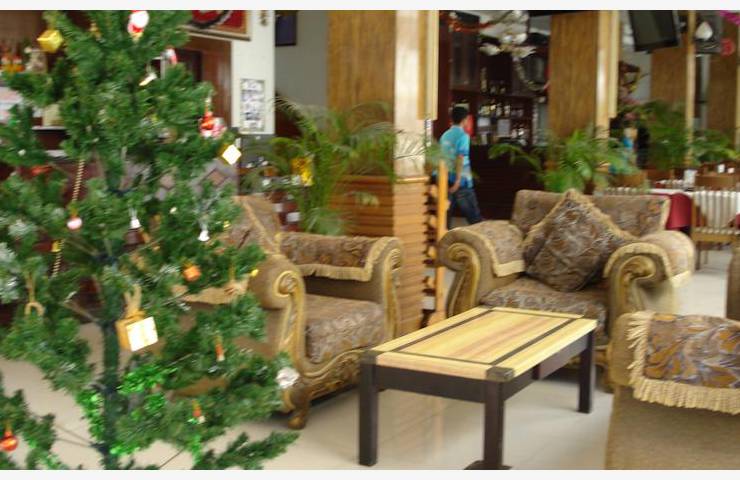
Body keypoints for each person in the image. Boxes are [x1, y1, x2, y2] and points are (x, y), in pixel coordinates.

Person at [439, 106, 482, 230]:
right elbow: (460, 158)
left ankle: (444, 239)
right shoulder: (463, 136)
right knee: (474, 217)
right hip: (461, 181)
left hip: (445, 179)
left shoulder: (445, 135)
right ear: (465, 120)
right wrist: (458, 181)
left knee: (445, 217)